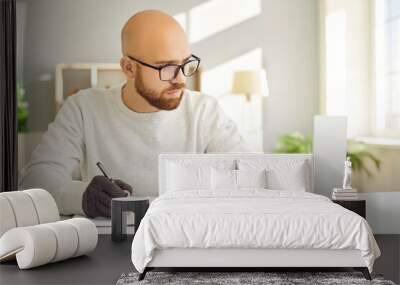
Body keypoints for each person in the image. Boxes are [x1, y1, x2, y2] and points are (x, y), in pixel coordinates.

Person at [19, 10, 249, 218]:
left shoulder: (205, 111)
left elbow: (248, 176)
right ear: (129, 68)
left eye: (185, 64)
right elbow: (35, 181)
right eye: (166, 67)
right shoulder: (83, 108)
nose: (180, 79)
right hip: (106, 246)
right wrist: (82, 196)